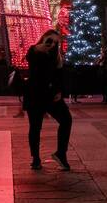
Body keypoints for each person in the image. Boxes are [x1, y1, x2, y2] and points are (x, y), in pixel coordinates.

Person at [25, 30, 72, 170]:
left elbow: (58, 75)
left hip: (51, 95)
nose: (52, 44)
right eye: (50, 40)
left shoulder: (55, 55)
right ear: (44, 38)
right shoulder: (34, 51)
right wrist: (40, 48)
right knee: (35, 126)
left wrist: (60, 91)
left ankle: (61, 153)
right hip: (35, 94)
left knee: (66, 119)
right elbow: (31, 60)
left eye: (56, 42)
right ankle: (35, 158)